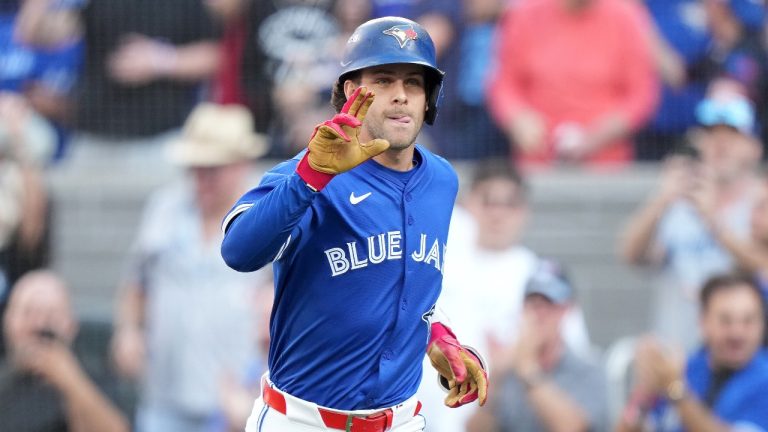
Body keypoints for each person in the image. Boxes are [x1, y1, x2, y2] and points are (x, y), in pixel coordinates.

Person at [221, 16, 489, 432]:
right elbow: (238, 252)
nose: (400, 96)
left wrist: (436, 334)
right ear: (352, 91)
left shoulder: (441, 179)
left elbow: (408, 279)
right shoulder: (311, 169)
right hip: (304, 421)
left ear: (429, 97)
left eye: (414, 83)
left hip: (401, 420)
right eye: (384, 81)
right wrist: (310, 177)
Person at [110, 103, 270, 432]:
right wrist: (127, 331)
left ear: (242, 164)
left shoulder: (270, 215)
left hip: (240, 404)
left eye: (213, 167)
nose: (202, 177)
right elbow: (137, 281)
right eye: (195, 167)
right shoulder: (164, 207)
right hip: (164, 398)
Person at [416, 159, 593, 431]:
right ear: (468, 205)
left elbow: (572, 355)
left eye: (509, 204)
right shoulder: (433, 265)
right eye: (488, 201)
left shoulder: (543, 279)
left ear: (524, 211)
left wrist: (516, 359)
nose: (497, 213)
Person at [620, 80, 762, 348]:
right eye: (712, 135)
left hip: (739, 363)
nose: (721, 146)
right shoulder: (679, 203)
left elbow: (762, 268)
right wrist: (661, 201)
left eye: (731, 136)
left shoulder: (761, 203)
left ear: (754, 146)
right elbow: (631, 255)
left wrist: (713, 222)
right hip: (677, 355)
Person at [487, 0, 658, 166]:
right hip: (537, 162)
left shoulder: (626, 16)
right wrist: (518, 118)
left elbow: (641, 94)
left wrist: (596, 138)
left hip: (605, 165)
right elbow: (503, 84)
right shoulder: (523, 14)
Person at [616, 273, 768, 432]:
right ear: (703, 322)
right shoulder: (685, 367)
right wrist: (644, 394)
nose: (737, 332)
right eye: (725, 320)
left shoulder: (764, 380)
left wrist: (676, 389)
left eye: (748, 321)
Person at [468, 260, 608, 432]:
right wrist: (495, 379)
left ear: (566, 310)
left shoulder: (588, 370)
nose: (539, 314)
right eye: (533, 304)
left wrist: (528, 369)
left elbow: (573, 427)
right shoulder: (508, 372)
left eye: (549, 304)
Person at [0, 270, 130, 432]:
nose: (39, 325)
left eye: (51, 316)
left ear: (71, 326)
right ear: (8, 322)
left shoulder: (94, 378)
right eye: (28, 313)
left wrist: (69, 379)